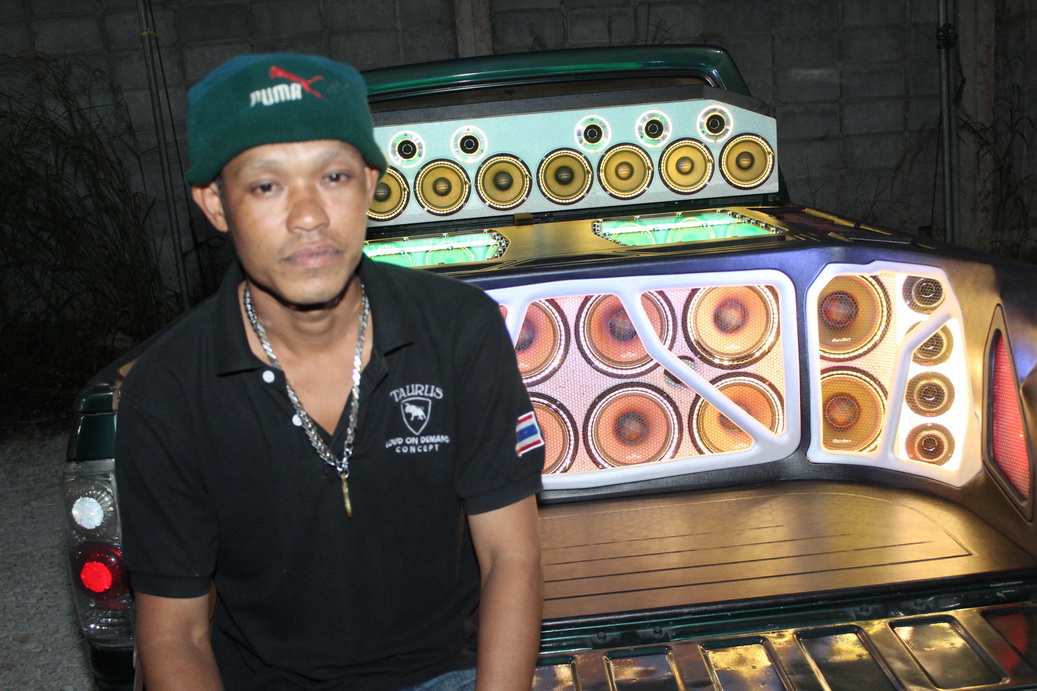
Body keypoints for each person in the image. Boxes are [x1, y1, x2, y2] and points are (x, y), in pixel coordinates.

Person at [114, 53, 545, 690]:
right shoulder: (168, 391)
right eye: (266, 186)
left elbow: (511, 557)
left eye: (335, 176)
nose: (309, 215)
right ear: (215, 204)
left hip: (440, 673)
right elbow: (177, 632)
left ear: (370, 184)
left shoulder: (460, 331)